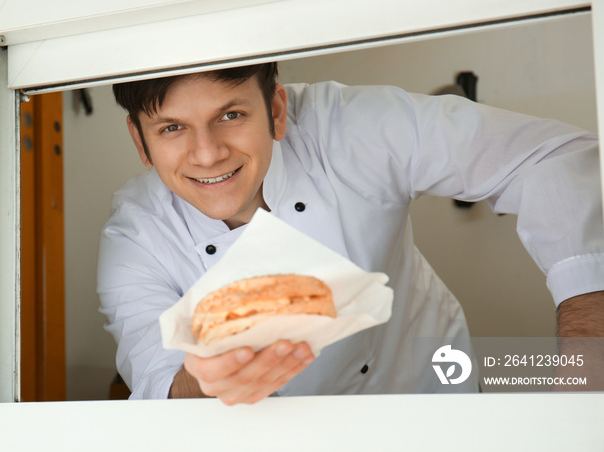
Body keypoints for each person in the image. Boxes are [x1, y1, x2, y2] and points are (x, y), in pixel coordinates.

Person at [98, 62, 604, 405]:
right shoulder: (137, 238)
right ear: (140, 143)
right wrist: (205, 380)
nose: (207, 153)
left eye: (230, 115)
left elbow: (550, 157)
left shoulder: (346, 129)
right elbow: (156, 383)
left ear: (275, 110)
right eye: (171, 128)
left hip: (427, 389)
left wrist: (587, 339)